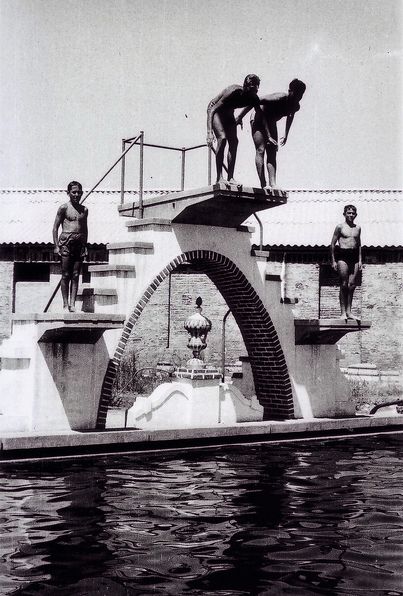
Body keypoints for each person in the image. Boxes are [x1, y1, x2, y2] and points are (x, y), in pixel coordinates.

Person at [236, 78, 306, 188]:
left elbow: (291, 115)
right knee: (261, 149)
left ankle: (273, 183)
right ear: (290, 91)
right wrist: (240, 116)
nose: (298, 98)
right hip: (259, 117)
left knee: (273, 150)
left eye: (301, 95)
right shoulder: (278, 98)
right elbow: (255, 101)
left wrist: (286, 134)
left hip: (271, 121)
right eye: (297, 94)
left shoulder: (296, 106)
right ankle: (264, 184)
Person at [206, 74, 268, 185]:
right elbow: (212, 110)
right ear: (245, 87)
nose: (254, 93)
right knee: (223, 138)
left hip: (229, 112)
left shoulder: (253, 97)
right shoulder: (233, 91)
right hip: (215, 110)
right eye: (252, 89)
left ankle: (230, 177)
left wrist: (268, 136)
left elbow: (261, 115)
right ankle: (219, 177)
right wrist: (209, 132)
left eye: (256, 89)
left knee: (234, 142)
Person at [53, 181, 88, 312]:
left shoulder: (84, 210)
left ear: (82, 193)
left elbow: (85, 229)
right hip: (66, 244)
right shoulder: (63, 208)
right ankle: (65, 304)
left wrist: (85, 245)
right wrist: (56, 246)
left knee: (75, 274)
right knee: (65, 274)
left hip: (79, 245)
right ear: (68, 193)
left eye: (79, 192)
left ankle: (72, 304)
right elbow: (55, 228)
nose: (76, 194)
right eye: (74, 192)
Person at [330, 204, 362, 320]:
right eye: (349, 213)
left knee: (352, 285)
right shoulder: (340, 227)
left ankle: (349, 312)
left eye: (353, 213)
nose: (351, 215)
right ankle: (343, 313)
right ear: (344, 214)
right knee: (344, 284)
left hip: (354, 258)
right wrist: (333, 260)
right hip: (342, 256)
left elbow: (359, 245)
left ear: (356, 215)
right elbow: (332, 244)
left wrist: (360, 260)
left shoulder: (358, 228)